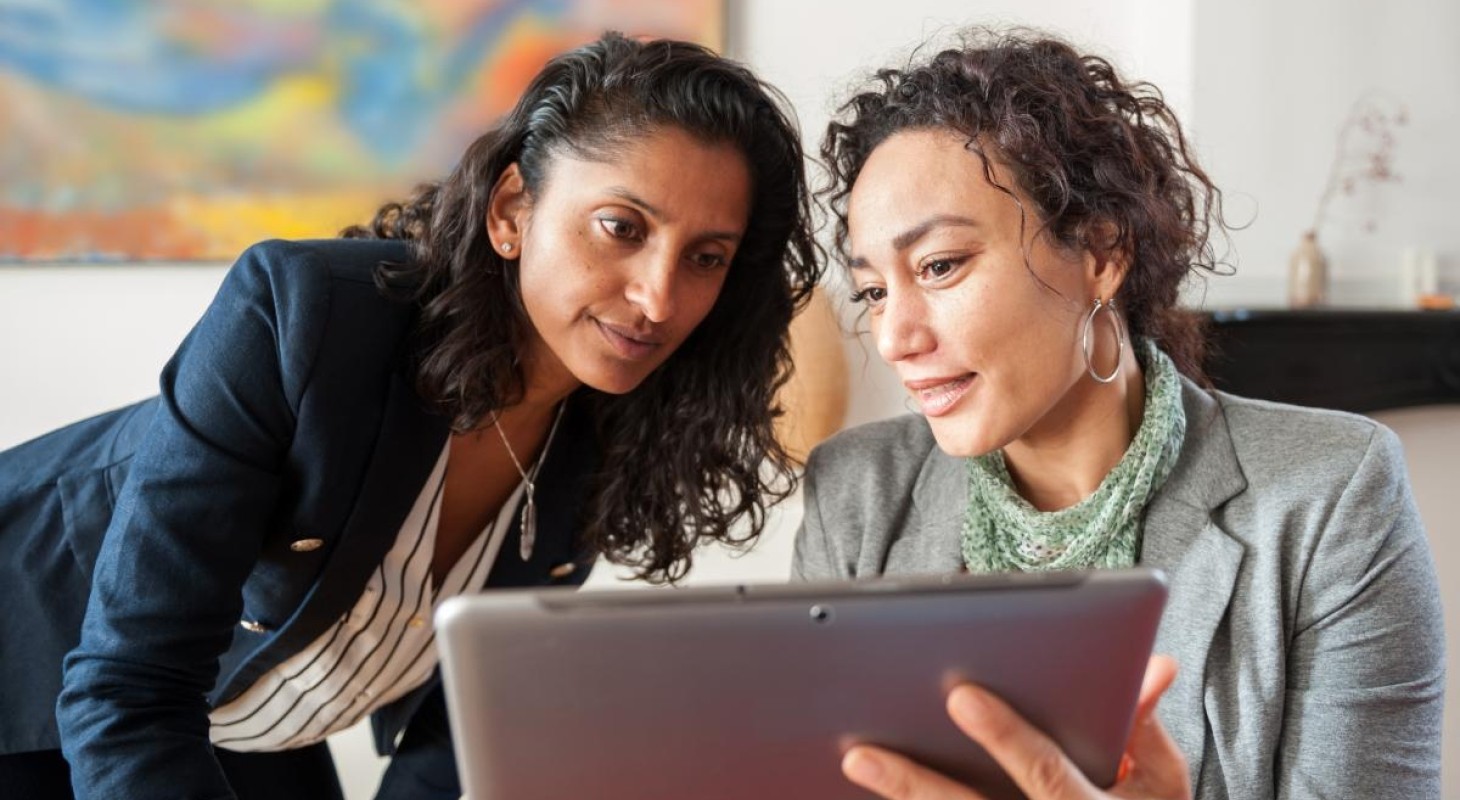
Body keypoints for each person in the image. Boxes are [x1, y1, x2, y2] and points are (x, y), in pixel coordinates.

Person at [0, 32, 820, 799]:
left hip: (255, 723)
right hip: (42, 692)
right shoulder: (299, 319)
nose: (659, 297)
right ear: (511, 212)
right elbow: (129, 692)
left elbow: (463, 711)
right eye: (621, 227)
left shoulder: (620, 417)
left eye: (706, 257)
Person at [796, 28, 1444, 800]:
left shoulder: (1330, 496)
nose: (896, 338)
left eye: (940, 266)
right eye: (874, 290)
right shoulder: (855, 497)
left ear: (1102, 252)